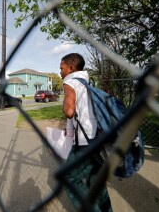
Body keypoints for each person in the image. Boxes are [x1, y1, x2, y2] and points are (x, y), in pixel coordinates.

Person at [60, 53, 112, 211]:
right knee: (95, 181)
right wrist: (69, 131)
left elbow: (69, 111)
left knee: (69, 178)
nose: (60, 72)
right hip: (95, 136)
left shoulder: (69, 81)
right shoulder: (87, 81)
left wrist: (65, 101)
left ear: (71, 68)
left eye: (61, 68)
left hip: (84, 141)